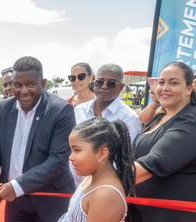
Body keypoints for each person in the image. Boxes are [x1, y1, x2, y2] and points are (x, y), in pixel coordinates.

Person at [0, 56, 76, 222]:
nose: (23, 90)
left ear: (43, 83)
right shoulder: (3, 108)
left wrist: (17, 186)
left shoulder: (62, 111)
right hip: (15, 202)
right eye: (17, 85)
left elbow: (57, 160)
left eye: (30, 84)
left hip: (50, 199)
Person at [129, 62, 196, 221]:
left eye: (173, 83)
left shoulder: (191, 120)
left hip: (173, 215)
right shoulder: (161, 116)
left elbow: (154, 162)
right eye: (161, 82)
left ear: (188, 89)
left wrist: (104, 178)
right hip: (143, 210)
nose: (165, 87)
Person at [72, 63, 140, 187]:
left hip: (104, 186)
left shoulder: (128, 117)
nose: (104, 86)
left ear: (121, 87)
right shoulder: (78, 111)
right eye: (100, 82)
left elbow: (125, 157)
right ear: (93, 83)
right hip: (73, 183)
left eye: (111, 83)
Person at [59, 118, 136, 222]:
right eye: (71, 150)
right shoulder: (90, 176)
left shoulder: (105, 195)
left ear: (102, 154)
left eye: (77, 150)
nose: (70, 157)